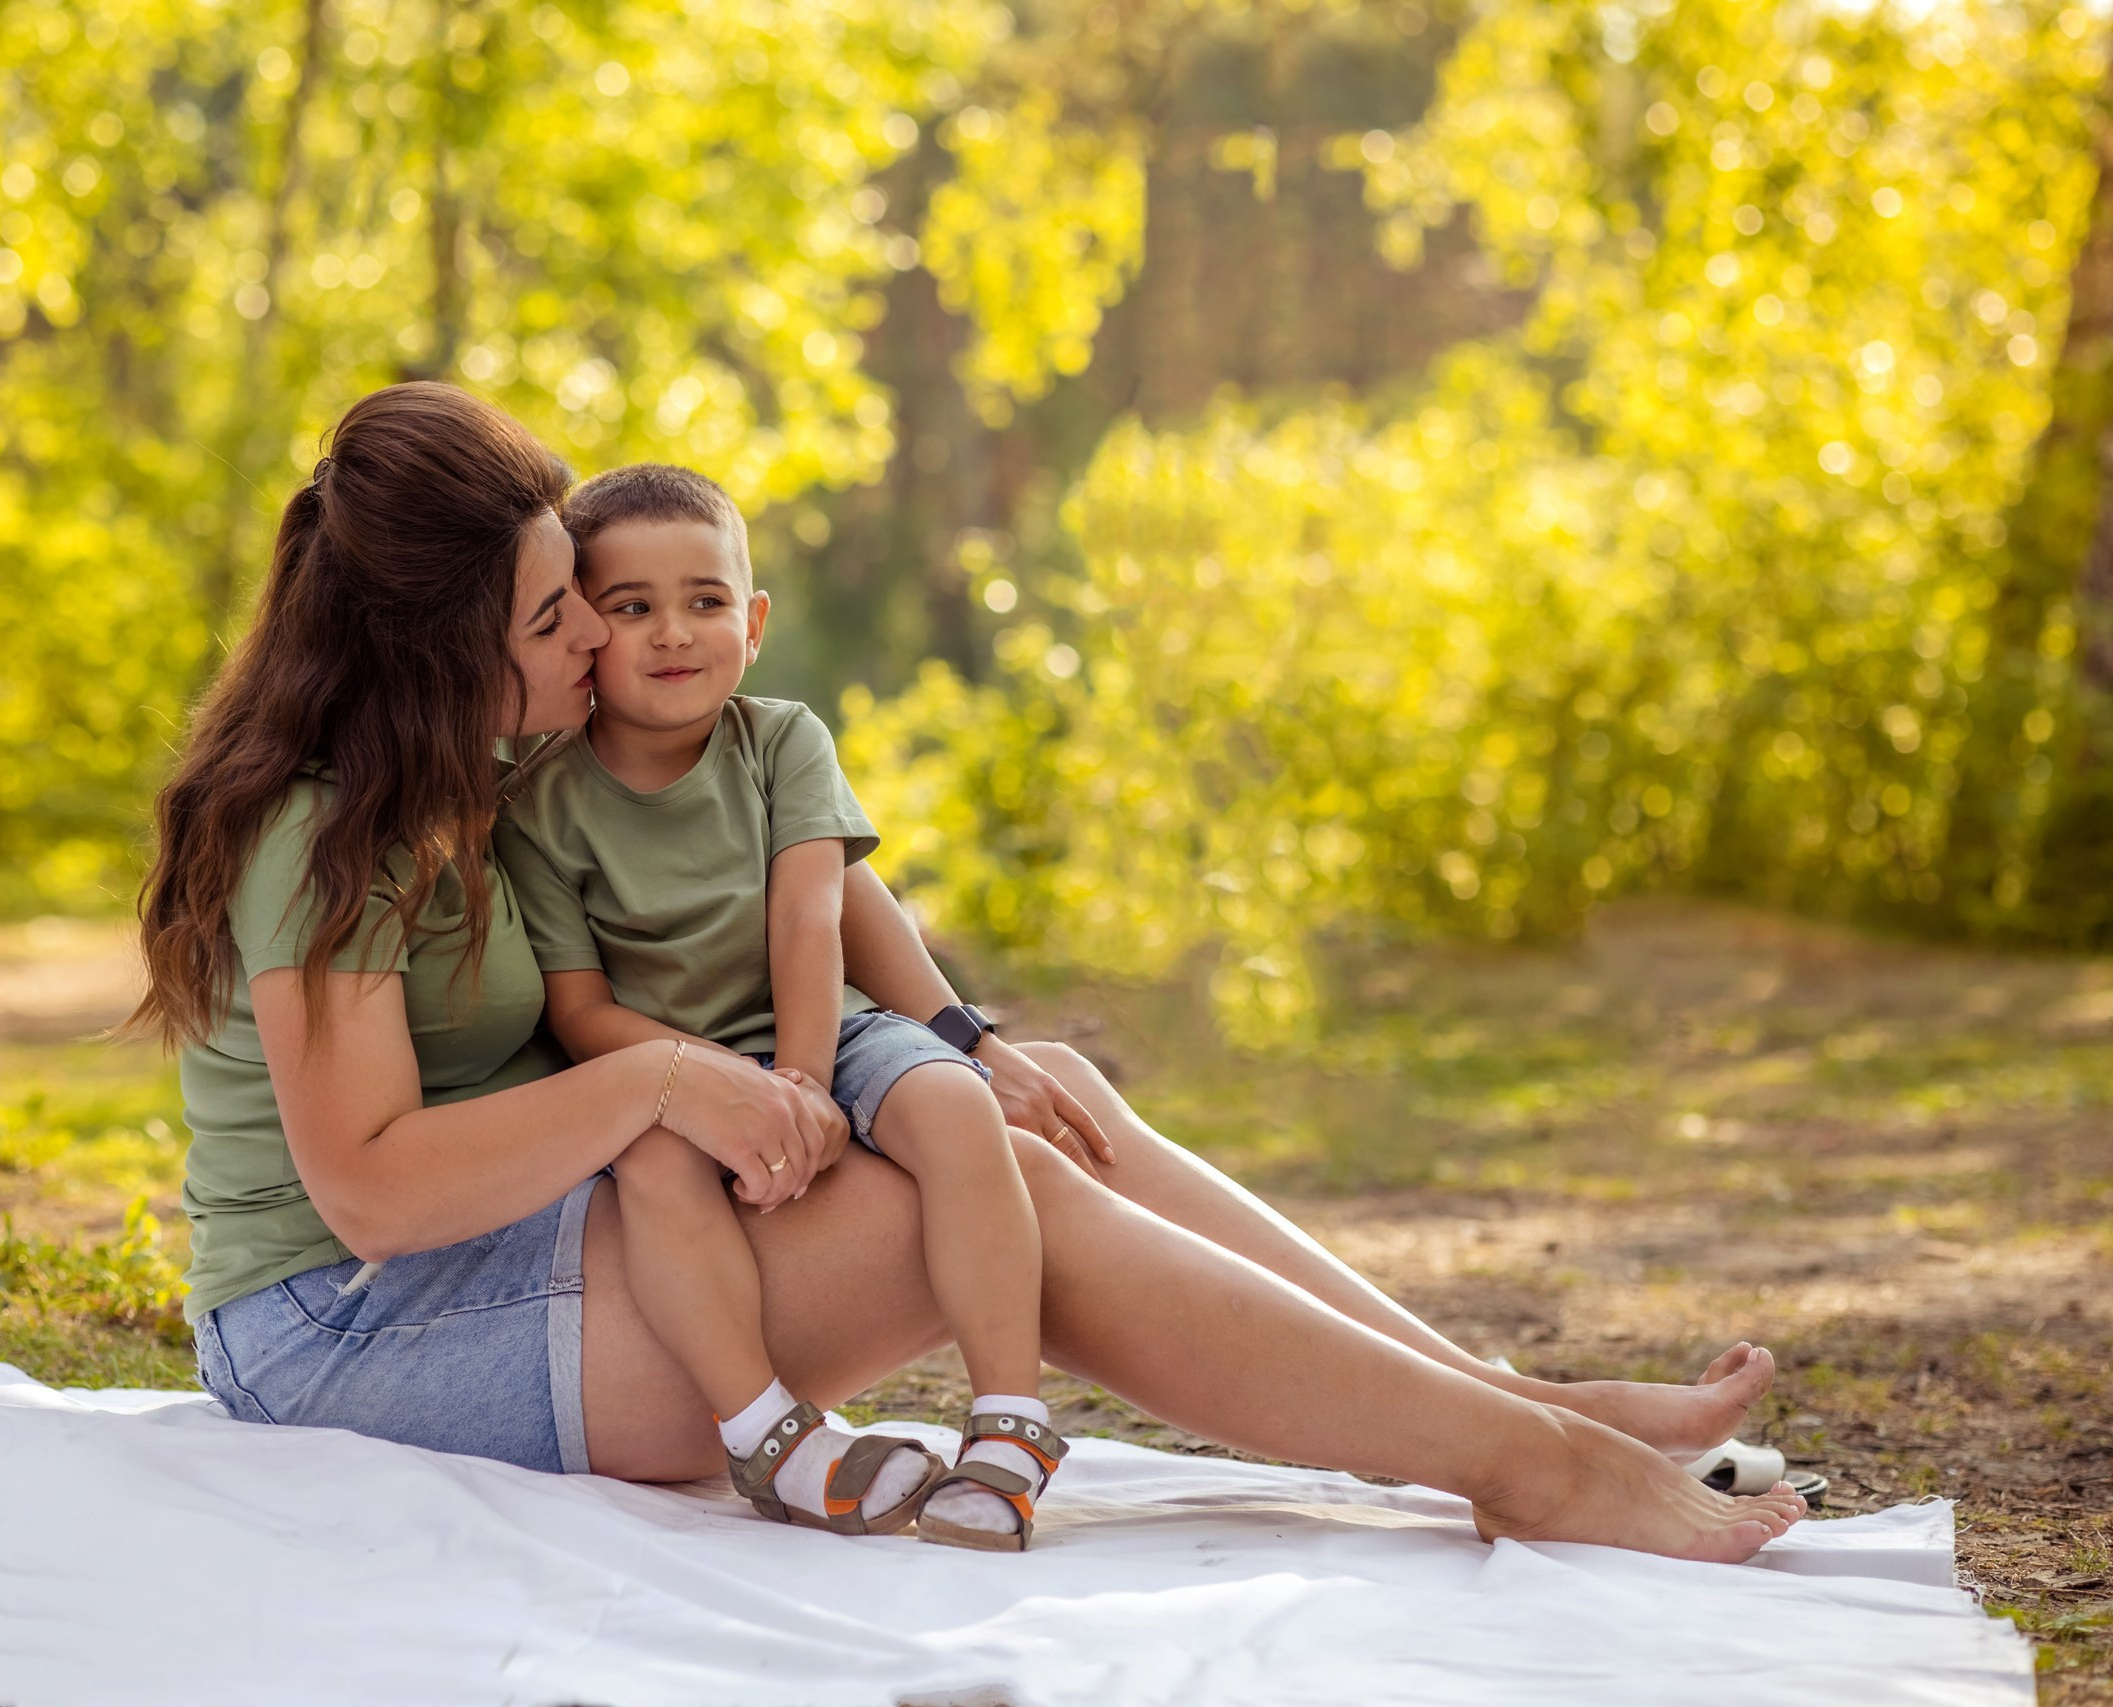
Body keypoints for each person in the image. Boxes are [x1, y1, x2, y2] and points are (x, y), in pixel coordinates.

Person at [132, 380, 1805, 1567]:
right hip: (352, 1326)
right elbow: (363, 1193)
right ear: (443, 647)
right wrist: (658, 1077)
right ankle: (1521, 1458)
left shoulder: (506, 755)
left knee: (1040, 1102)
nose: (593, 631)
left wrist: (960, 1028)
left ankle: (1502, 1398)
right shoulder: (329, 834)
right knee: (1002, 1189)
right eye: (557, 609)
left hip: (543, 1224)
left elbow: (784, 861)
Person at [493, 463, 1063, 1551]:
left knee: (954, 1110)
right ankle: (767, 1433)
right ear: (582, 635)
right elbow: (580, 1011)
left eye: (705, 601)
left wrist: (801, 1083)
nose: (673, 632)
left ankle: (1009, 1423)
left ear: (752, 623)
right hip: (664, 1068)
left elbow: (811, 925)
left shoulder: (780, 741)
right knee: (656, 1171)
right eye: (633, 607)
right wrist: (722, 1094)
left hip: (823, 1034)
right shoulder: (540, 799)